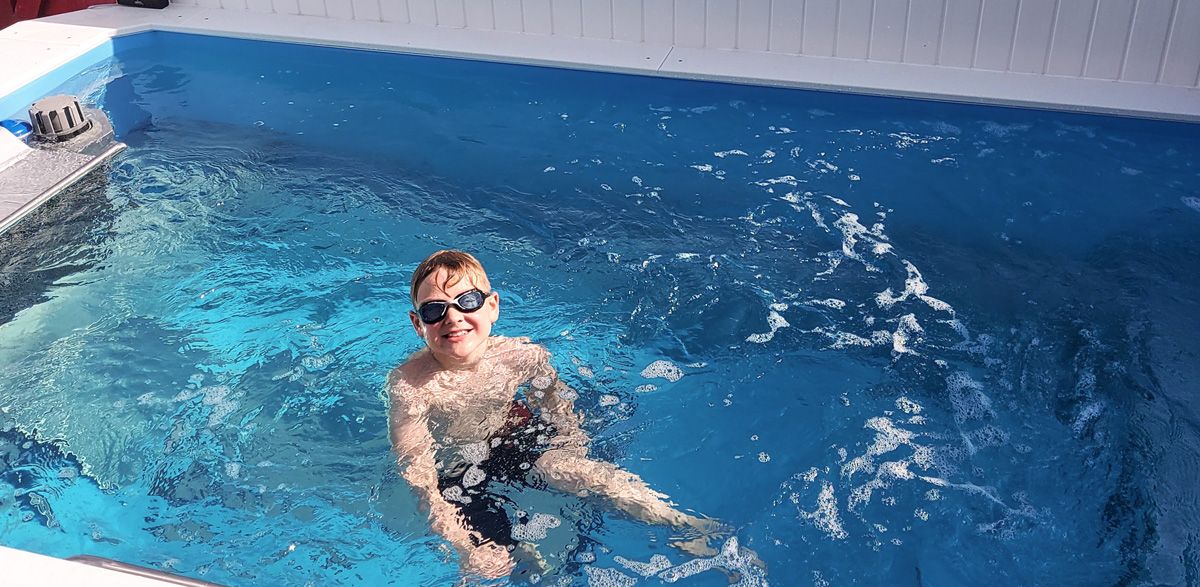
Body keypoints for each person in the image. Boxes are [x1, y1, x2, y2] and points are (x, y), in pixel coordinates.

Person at [387, 250, 719, 579]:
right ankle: (525, 562)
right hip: (458, 471)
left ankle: (682, 524)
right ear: (418, 324)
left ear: (492, 307)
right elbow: (417, 470)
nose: (453, 316)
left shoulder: (520, 355)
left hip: (512, 438)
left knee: (571, 470)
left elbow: (558, 409)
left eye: (468, 301)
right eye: (434, 310)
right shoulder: (412, 386)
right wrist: (462, 544)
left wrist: (569, 451)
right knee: (488, 565)